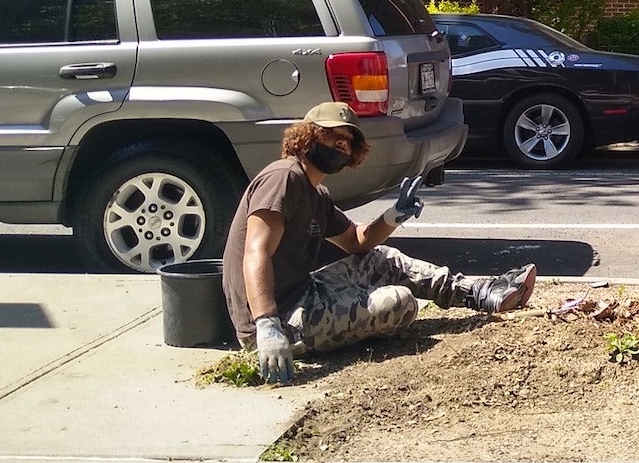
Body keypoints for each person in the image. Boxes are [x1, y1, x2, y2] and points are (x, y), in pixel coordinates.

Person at [223, 101, 539, 385]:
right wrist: (266, 326)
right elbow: (255, 251)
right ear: (309, 136)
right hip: (277, 321)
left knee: (383, 259)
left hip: (303, 293)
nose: (341, 146)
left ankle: (481, 294)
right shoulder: (283, 178)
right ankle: (278, 331)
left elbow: (358, 242)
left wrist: (392, 215)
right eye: (333, 137)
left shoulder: (316, 194)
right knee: (399, 303)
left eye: (348, 143)